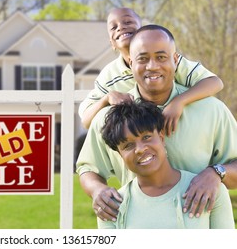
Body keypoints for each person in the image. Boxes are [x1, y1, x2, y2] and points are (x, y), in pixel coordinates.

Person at [76, 24, 237, 224]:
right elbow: (87, 168)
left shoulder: (212, 110)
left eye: (161, 57)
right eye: (143, 59)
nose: (152, 66)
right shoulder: (110, 119)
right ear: (130, 62)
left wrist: (216, 173)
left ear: (175, 60)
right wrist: (97, 190)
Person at [79, 8, 223, 136]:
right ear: (112, 43)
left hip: (180, 130)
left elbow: (215, 83)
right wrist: (107, 98)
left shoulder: (167, 61)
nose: (121, 27)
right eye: (113, 27)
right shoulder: (109, 75)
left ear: (142, 30)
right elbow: (86, 121)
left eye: (128, 22)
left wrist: (179, 102)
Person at [98, 100, 234, 228]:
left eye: (146, 137)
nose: (140, 149)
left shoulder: (210, 191)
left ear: (162, 138)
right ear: (120, 155)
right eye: (128, 145)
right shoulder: (111, 206)